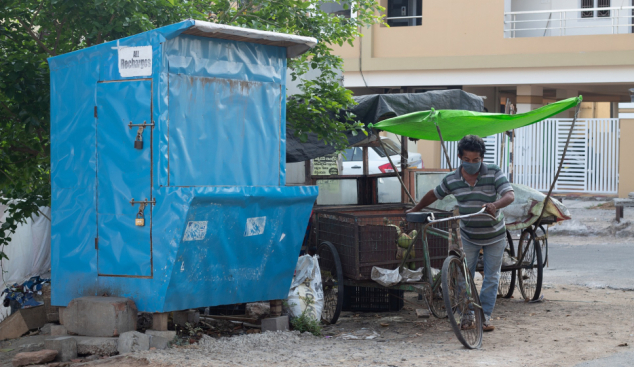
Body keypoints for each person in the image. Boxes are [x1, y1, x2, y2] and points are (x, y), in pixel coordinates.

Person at [407, 135, 514, 332]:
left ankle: (485, 317)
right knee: (463, 276)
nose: (471, 163)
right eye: (467, 160)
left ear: (482, 158)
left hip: (495, 234)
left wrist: (495, 205)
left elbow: (509, 194)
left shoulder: (494, 172)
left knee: (491, 277)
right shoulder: (452, 179)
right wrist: (416, 209)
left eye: (476, 160)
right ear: (459, 157)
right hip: (469, 235)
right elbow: (435, 193)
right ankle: (467, 315)